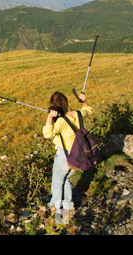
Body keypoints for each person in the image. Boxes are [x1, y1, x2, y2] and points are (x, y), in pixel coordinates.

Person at [42, 91, 92, 224]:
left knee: (58, 181)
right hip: (80, 153)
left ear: (54, 107)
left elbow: (47, 133)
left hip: (65, 155)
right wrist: (83, 101)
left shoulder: (62, 122)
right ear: (66, 103)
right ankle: (68, 206)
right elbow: (88, 109)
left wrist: (50, 117)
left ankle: (56, 208)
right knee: (67, 179)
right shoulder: (78, 114)